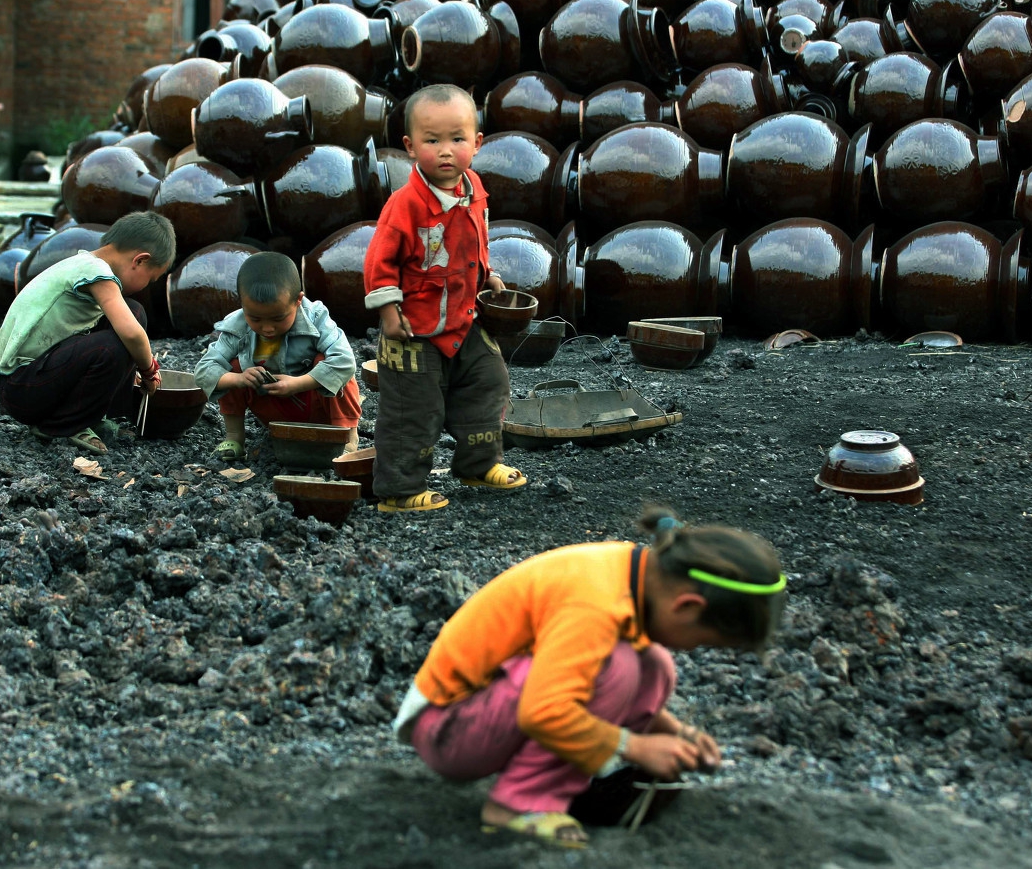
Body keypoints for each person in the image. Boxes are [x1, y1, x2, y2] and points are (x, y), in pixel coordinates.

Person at [392, 507, 786, 849]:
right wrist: (635, 747)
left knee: (654, 665)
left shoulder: (633, 573)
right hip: (447, 729)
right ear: (687, 605)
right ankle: (518, 804)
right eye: (702, 641)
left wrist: (677, 732)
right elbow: (543, 712)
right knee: (619, 668)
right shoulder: (593, 606)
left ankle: (553, 781)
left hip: (477, 715)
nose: (692, 650)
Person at [363, 83, 526, 513]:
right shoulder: (405, 206)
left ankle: (478, 462)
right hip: (413, 329)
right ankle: (398, 491)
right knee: (414, 411)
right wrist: (387, 308)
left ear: (477, 142)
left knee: (489, 381)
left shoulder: (474, 188)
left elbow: (473, 240)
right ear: (410, 147)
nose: (446, 151)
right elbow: (379, 260)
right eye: (432, 141)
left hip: (463, 318)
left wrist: (487, 275)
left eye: (457, 139)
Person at [0, 211, 175, 454]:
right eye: (151, 279)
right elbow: (131, 334)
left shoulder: (86, 263)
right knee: (112, 346)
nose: (147, 286)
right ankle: (63, 424)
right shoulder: (95, 271)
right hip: (21, 390)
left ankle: (99, 415)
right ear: (139, 260)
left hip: (36, 380)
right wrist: (149, 370)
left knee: (133, 311)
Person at [193, 251, 361, 461]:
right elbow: (203, 370)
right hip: (271, 407)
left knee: (333, 367)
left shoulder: (316, 317)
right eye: (255, 319)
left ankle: (347, 439)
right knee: (232, 367)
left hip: (315, 403)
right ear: (242, 304)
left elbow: (345, 361)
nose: (267, 328)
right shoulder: (237, 327)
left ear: (298, 300)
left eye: (278, 318)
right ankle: (234, 437)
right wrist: (239, 378)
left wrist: (298, 384)